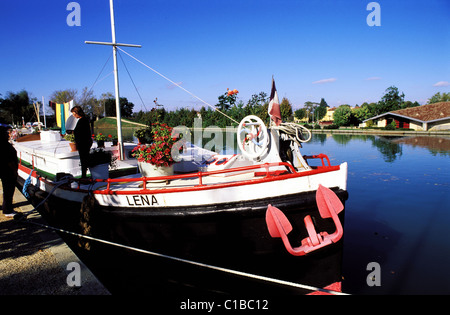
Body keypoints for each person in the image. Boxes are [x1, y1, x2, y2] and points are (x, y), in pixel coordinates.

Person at [0, 125, 18, 217]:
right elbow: (9, 160)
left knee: (8, 190)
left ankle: (7, 208)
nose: (8, 134)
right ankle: (7, 210)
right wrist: (14, 172)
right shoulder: (5, 146)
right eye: (6, 133)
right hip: (7, 171)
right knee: (8, 190)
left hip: (6, 170)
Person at [70, 106, 93, 178]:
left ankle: (84, 176)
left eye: (74, 114)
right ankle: (84, 175)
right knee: (84, 159)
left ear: (77, 113)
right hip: (84, 143)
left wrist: (73, 132)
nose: (73, 115)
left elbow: (81, 132)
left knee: (84, 160)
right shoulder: (84, 120)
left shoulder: (83, 120)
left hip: (83, 143)